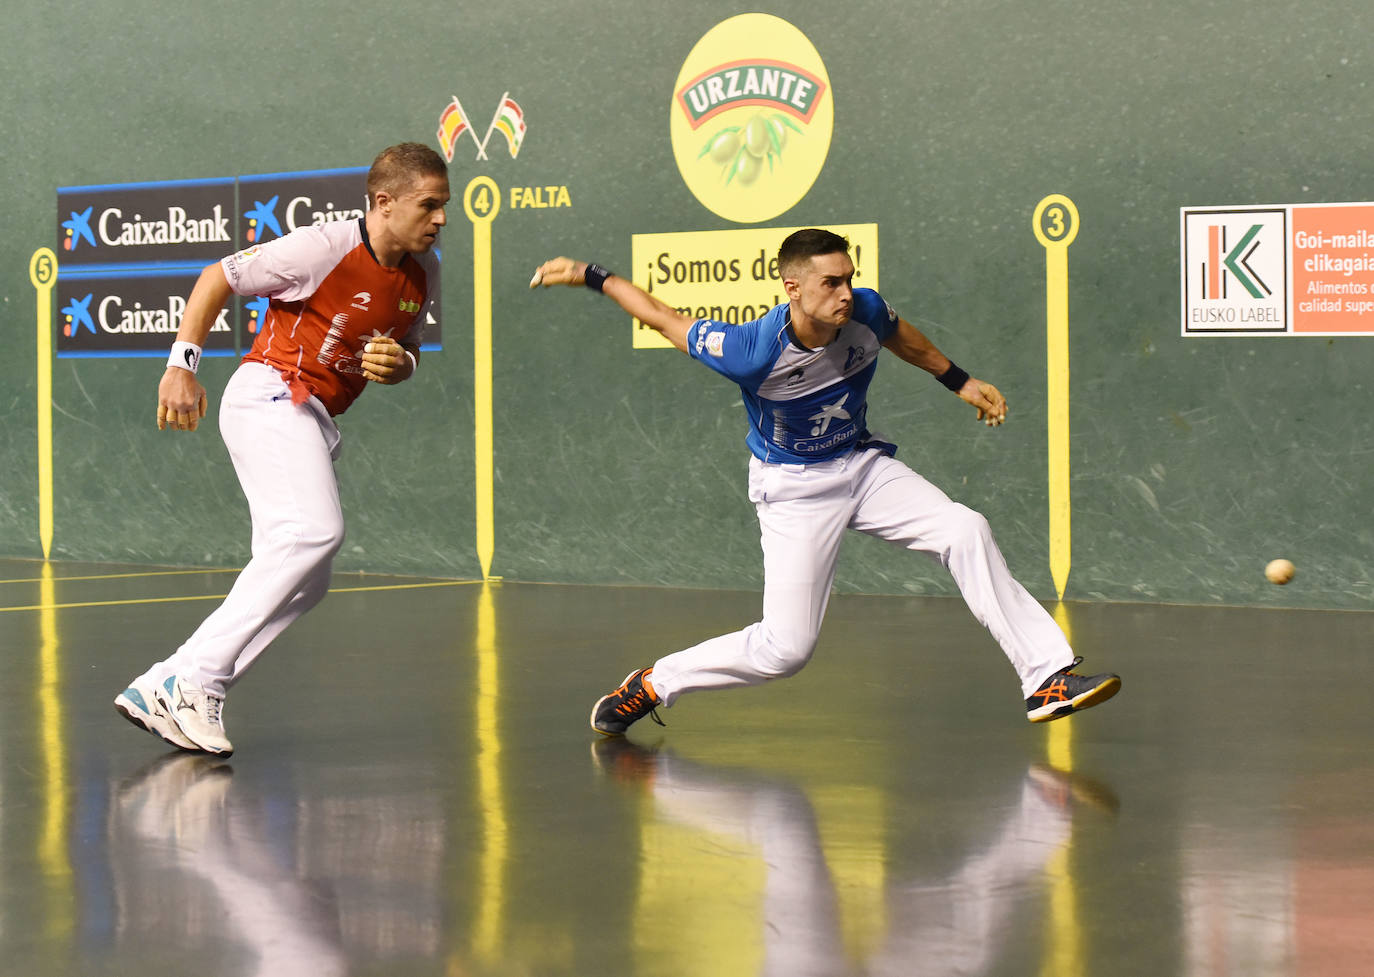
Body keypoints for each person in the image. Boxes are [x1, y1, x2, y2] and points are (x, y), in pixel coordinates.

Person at [529, 229, 1120, 736]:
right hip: (793, 490)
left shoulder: (863, 309)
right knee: (785, 651)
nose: (846, 294)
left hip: (859, 466)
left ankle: (1046, 678)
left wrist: (958, 380)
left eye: (849, 279)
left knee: (965, 529)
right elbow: (664, 318)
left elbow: (901, 333)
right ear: (793, 288)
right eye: (830, 283)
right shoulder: (751, 351)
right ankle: (656, 683)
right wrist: (592, 275)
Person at [115, 142, 450, 756]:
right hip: (270, 395)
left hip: (313, 417)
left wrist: (400, 363)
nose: (440, 219)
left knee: (307, 579)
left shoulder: (423, 272)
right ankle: (191, 679)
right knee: (311, 533)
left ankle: (172, 685)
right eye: (428, 205)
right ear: (383, 202)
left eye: (443, 206)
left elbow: (410, 354)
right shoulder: (322, 247)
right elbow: (220, 276)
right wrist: (180, 366)